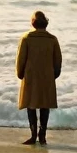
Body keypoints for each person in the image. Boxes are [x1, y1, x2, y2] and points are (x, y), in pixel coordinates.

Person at [16, 10, 61, 145]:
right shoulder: (52, 39)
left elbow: (21, 59)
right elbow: (58, 60)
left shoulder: (27, 38)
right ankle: (42, 135)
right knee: (44, 106)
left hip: (31, 76)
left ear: (33, 23)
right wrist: (54, 74)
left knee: (31, 105)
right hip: (47, 76)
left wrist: (20, 73)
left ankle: (33, 134)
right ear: (45, 23)